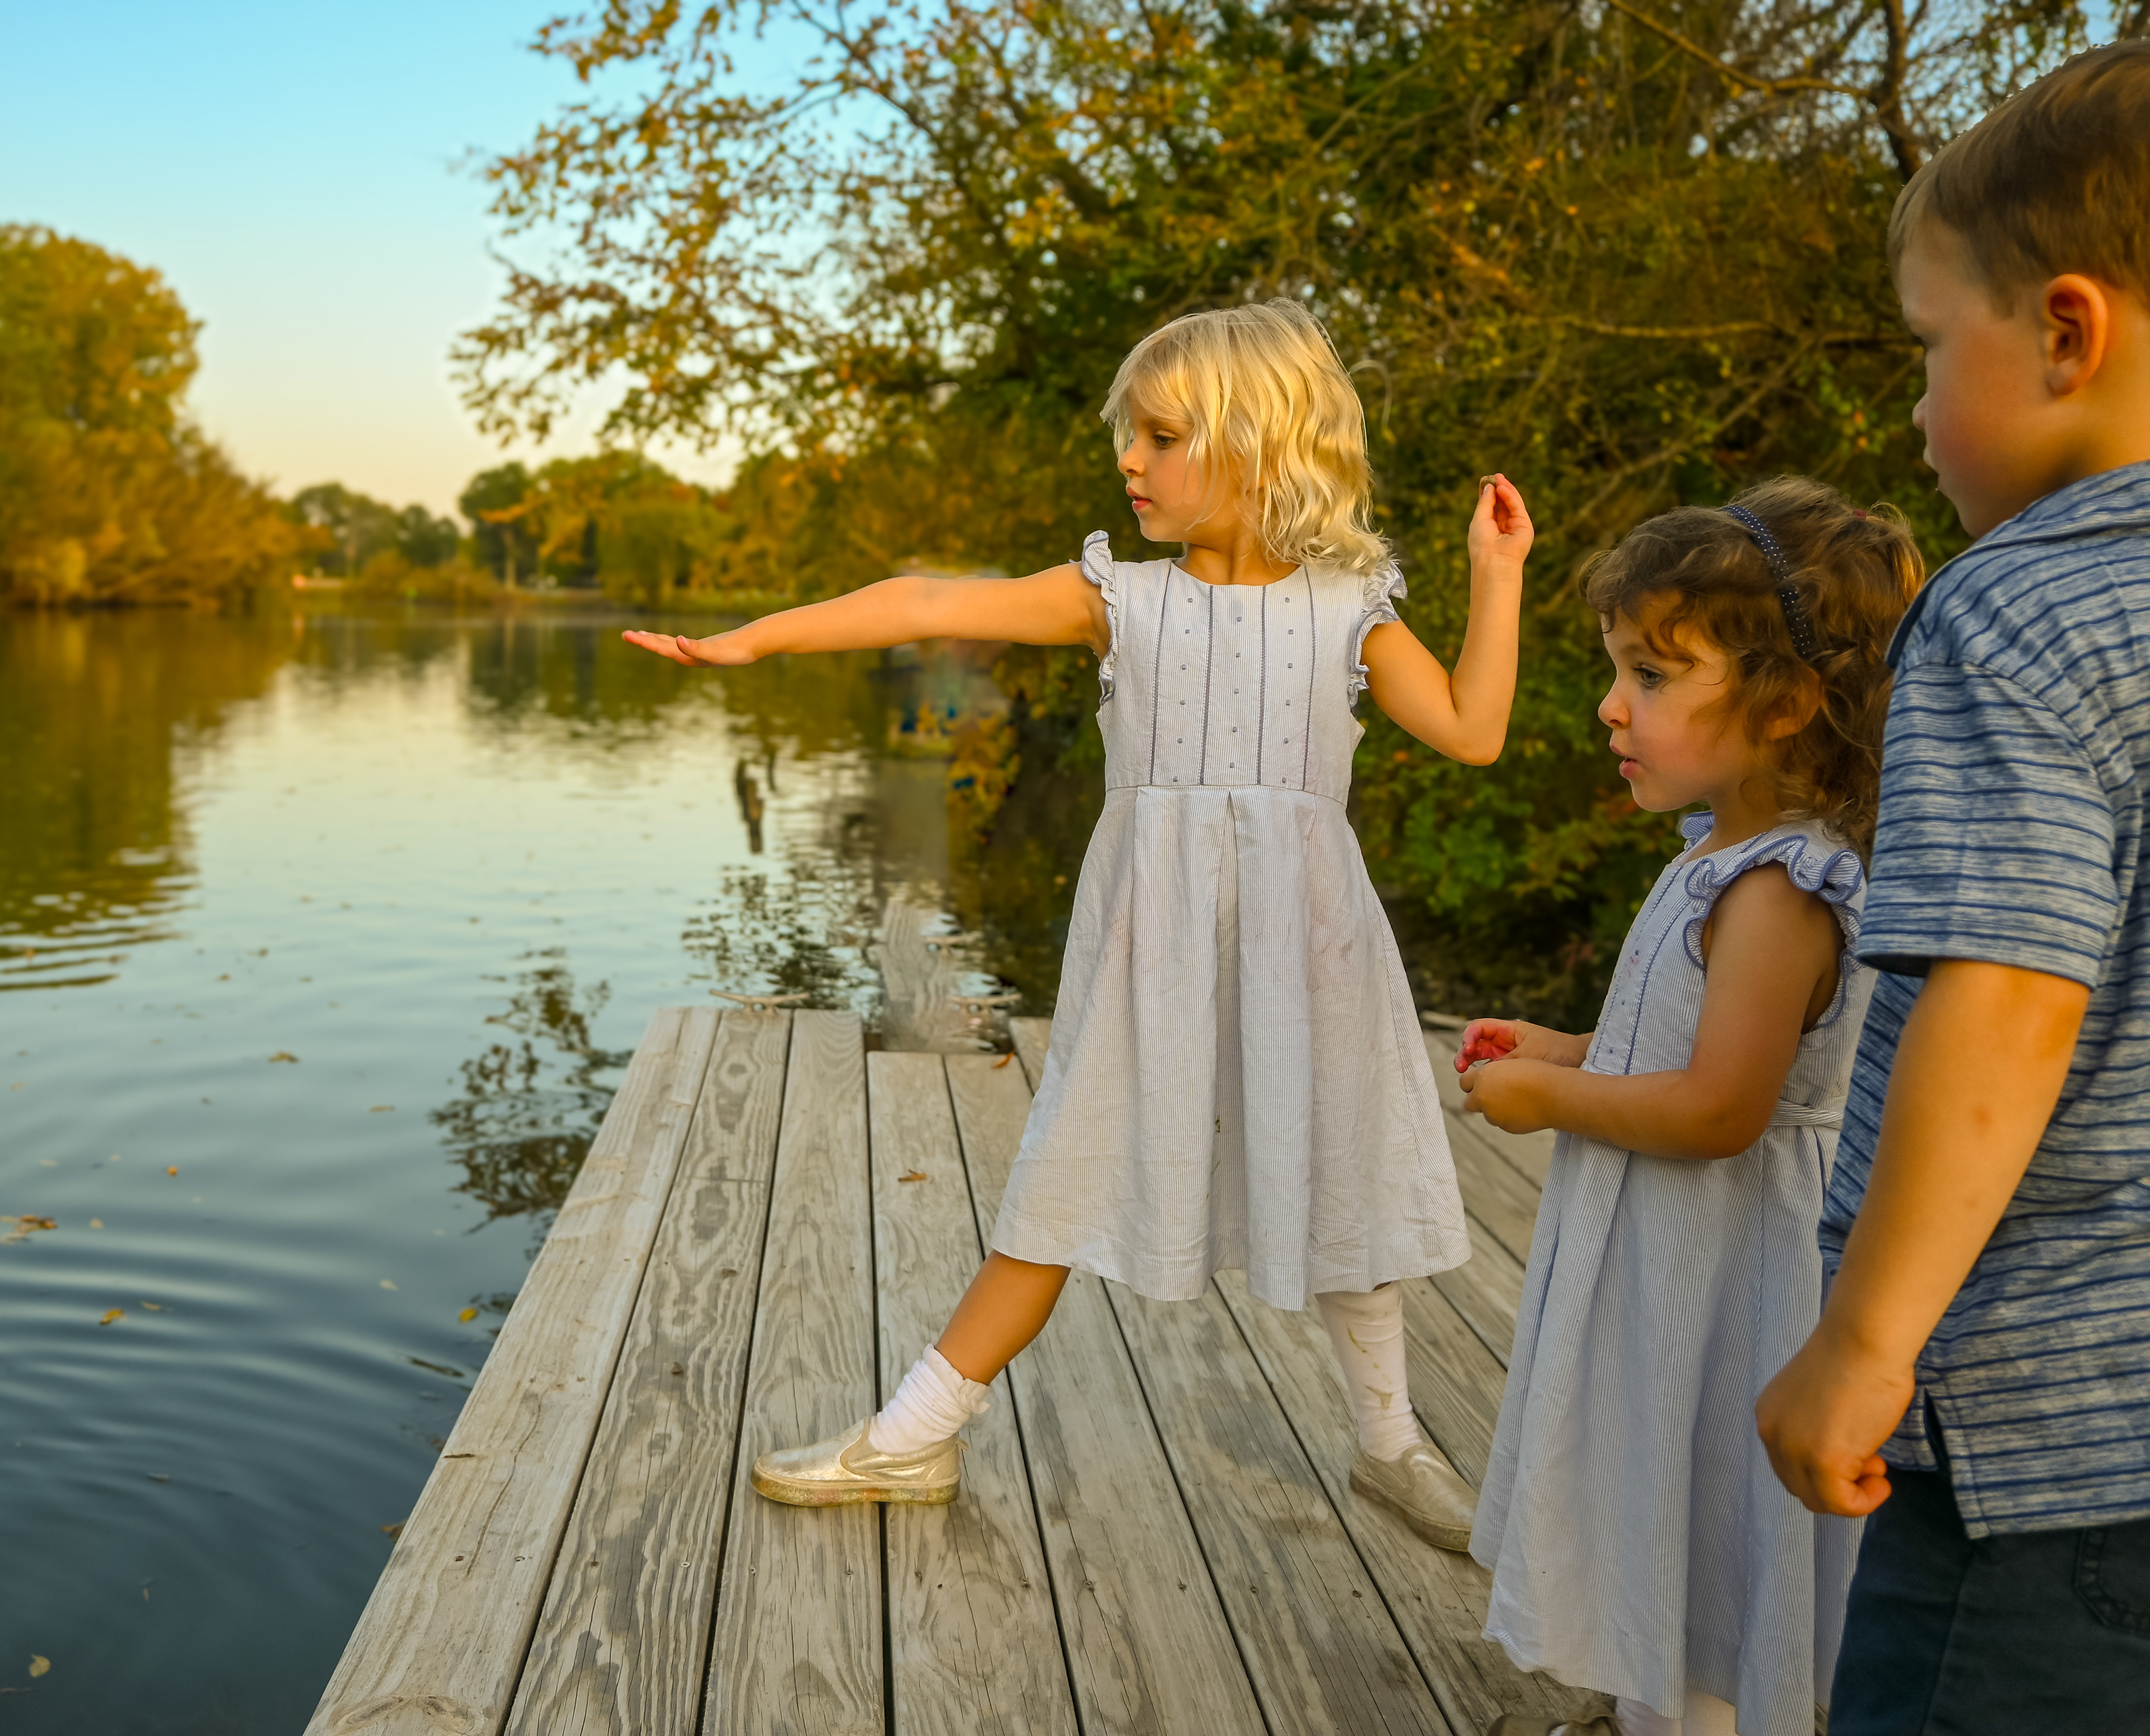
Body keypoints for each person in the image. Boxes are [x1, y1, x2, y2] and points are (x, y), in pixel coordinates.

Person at [625, 298, 1529, 1545]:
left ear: (1258, 443)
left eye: (1161, 436)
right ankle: (910, 1438)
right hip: (1147, 946)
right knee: (1064, 1176)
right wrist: (758, 642)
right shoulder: (1123, 600)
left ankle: (1390, 1444)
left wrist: (1498, 577)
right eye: (1130, 436)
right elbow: (925, 599)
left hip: (1308, 949)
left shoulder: (1348, 605)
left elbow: (1476, 732)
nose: (1130, 461)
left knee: (1342, 1176)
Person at [1751, 35, 2150, 1735]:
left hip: (2072, 1440)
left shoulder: (2021, 610)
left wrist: (1863, 1334)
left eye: (1931, 350)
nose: (1914, 413)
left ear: (2067, 331)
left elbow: (2010, 999)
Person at [1455, 481, 1923, 1736]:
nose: (1612, 705)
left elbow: (1724, 1107)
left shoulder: (1780, 889)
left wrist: (1550, 1093)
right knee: (1658, 1493)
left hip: (1731, 1268)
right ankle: (1651, 1707)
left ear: (1783, 703)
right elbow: (1683, 1048)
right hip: (1680, 1253)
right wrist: (1569, 1044)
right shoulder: (1722, 857)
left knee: (1708, 1517)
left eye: (1653, 675)